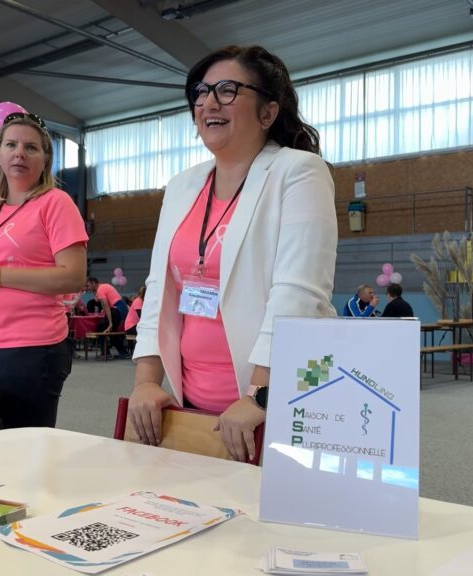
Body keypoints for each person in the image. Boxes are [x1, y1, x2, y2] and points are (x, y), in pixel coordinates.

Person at [128, 45, 338, 462]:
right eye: (201, 92)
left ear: (267, 112)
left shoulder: (298, 173)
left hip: (267, 405)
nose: (208, 102)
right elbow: (159, 288)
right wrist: (146, 380)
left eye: (227, 90)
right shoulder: (182, 186)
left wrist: (260, 396)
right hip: (189, 404)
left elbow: (297, 294)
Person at [0, 111, 87, 430]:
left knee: (24, 447)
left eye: (30, 147)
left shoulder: (56, 203)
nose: (19, 153)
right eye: (11, 145)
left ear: (44, 158)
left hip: (32, 346)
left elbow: (73, 276)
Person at [85, 277, 129, 358]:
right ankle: (123, 352)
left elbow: (105, 306)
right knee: (111, 332)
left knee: (100, 327)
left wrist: (110, 323)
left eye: (88, 286)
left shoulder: (100, 290)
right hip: (121, 308)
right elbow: (103, 303)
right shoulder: (104, 286)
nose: (87, 288)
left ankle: (105, 353)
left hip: (117, 309)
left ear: (94, 283)